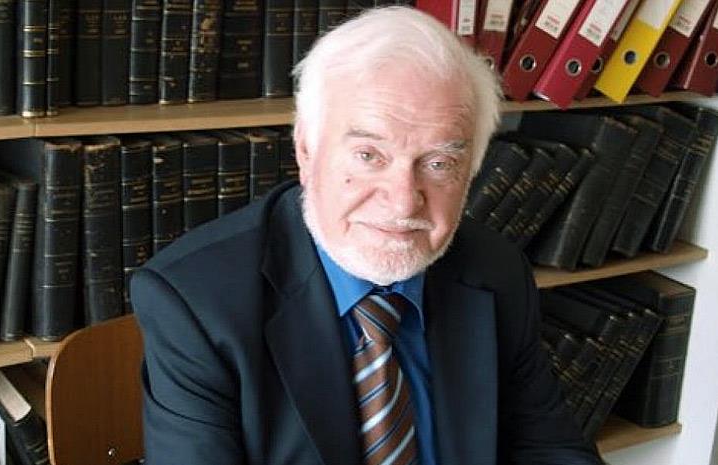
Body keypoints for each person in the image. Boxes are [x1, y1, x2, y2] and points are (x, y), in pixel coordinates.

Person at [131, 6, 603, 465]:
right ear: (306, 150)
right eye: (369, 156)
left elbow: (551, 447)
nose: (403, 203)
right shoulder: (196, 302)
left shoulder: (496, 271)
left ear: (472, 172)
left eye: (439, 163)